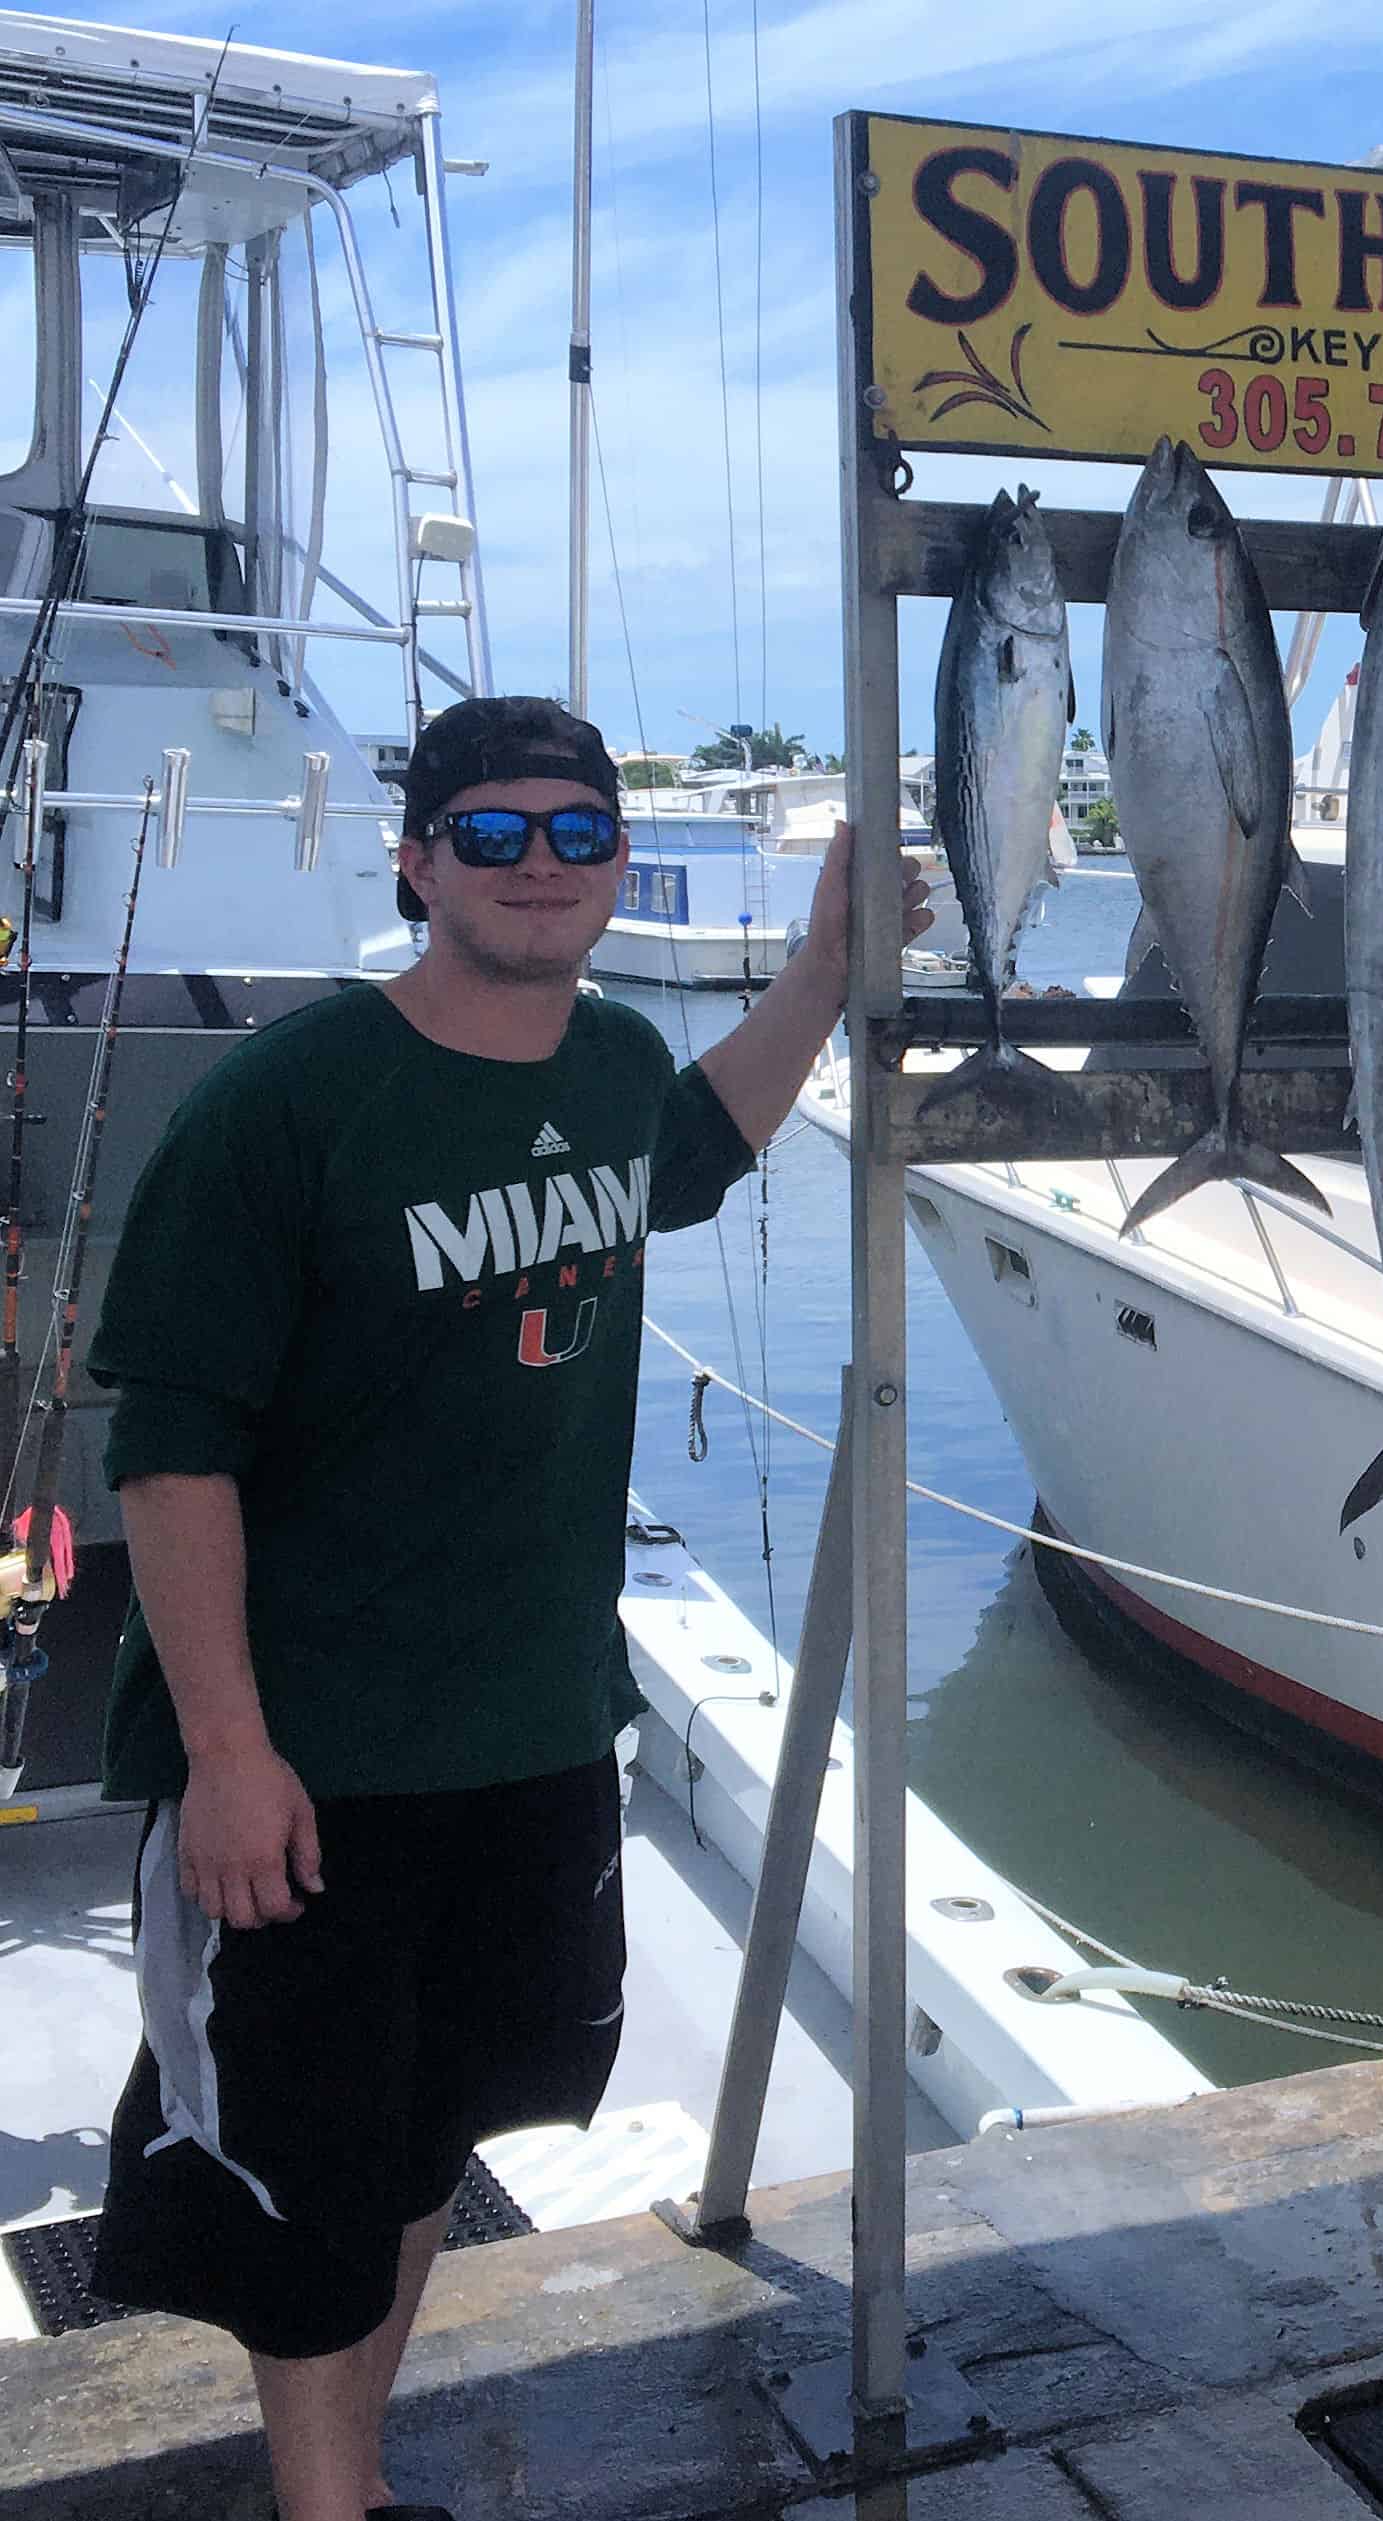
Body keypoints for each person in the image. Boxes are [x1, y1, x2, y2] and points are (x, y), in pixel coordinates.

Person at [80, 696, 928, 2521]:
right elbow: (170, 1451)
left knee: (418, 2144)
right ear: (415, 860)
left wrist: (825, 973)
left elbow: (701, 1138)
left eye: (574, 834)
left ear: (618, 870)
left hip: (534, 1734)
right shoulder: (286, 1104)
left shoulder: (613, 1063)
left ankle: (356, 2483)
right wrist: (227, 1752)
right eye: (491, 834)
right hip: (313, 1762)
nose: (537, 866)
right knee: (300, 2182)